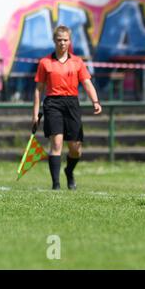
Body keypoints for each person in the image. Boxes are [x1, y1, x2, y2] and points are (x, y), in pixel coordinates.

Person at [32, 25, 102, 190]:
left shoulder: (77, 62)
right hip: (52, 104)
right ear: (54, 41)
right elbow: (38, 89)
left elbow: (86, 83)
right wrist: (35, 114)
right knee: (56, 145)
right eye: (59, 40)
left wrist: (95, 101)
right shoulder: (45, 63)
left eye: (65, 40)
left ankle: (69, 172)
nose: (62, 43)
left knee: (75, 149)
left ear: (69, 41)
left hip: (72, 104)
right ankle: (56, 185)